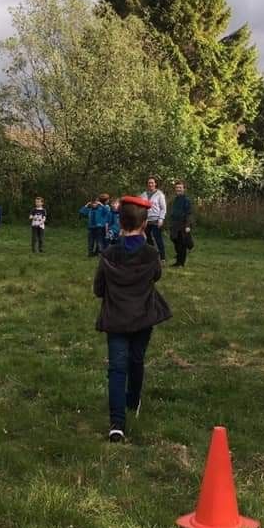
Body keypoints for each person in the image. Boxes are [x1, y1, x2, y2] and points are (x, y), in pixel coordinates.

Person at [93, 196, 172, 442]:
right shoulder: (151, 253)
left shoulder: (108, 254)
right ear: (145, 223)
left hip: (116, 319)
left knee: (117, 368)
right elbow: (156, 276)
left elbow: (98, 289)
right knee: (136, 361)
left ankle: (117, 423)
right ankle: (133, 400)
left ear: (120, 221)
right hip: (142, 318)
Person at [141, 175, 167, 261]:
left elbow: (163, 208)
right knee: (147, 238)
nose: (150, 184)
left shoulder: (160, 194)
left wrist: (161, 219)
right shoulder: (143, 194)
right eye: (149, 183)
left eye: (152, 183)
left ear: (155, 184)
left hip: (156, 219)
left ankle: (162, 257)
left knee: (158, 238)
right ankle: (152, 255)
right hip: (146, 220)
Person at [169, 180, 193, 267]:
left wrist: (187, 225)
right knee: (175, 241)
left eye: (180, 188)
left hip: (183, 225)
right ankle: (178, 260)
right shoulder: (175, 200)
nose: (178, 189)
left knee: (181, 244)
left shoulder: (186, 200)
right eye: (177, 188)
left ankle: (181, 263)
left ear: (184, 189)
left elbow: (189, 213)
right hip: (174, 225)